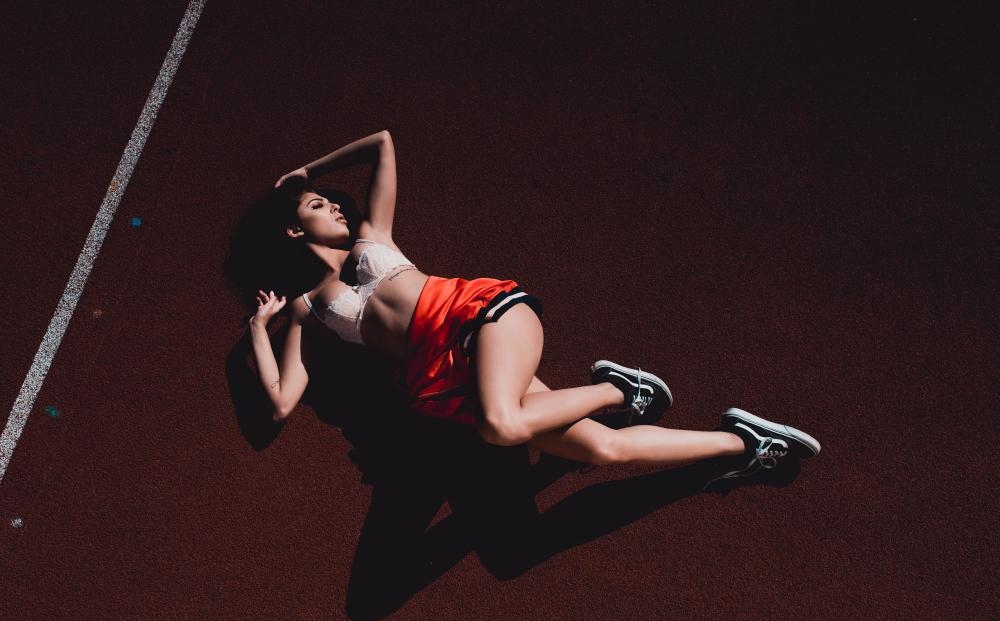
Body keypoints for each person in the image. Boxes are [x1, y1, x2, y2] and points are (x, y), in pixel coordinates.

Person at [244, 130, 819, 487]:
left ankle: (623, 390)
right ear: (295, 230)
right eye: (318, 205)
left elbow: (383, 143)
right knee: (602, 448)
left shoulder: (374, 235)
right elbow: (281, 403)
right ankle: (746, 443)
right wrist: (258, 329)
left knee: (502, 425)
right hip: (452, 377)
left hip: (481, 318)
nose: (335, 208)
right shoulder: (309, 309)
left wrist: (310, 171)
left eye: (331, 201)